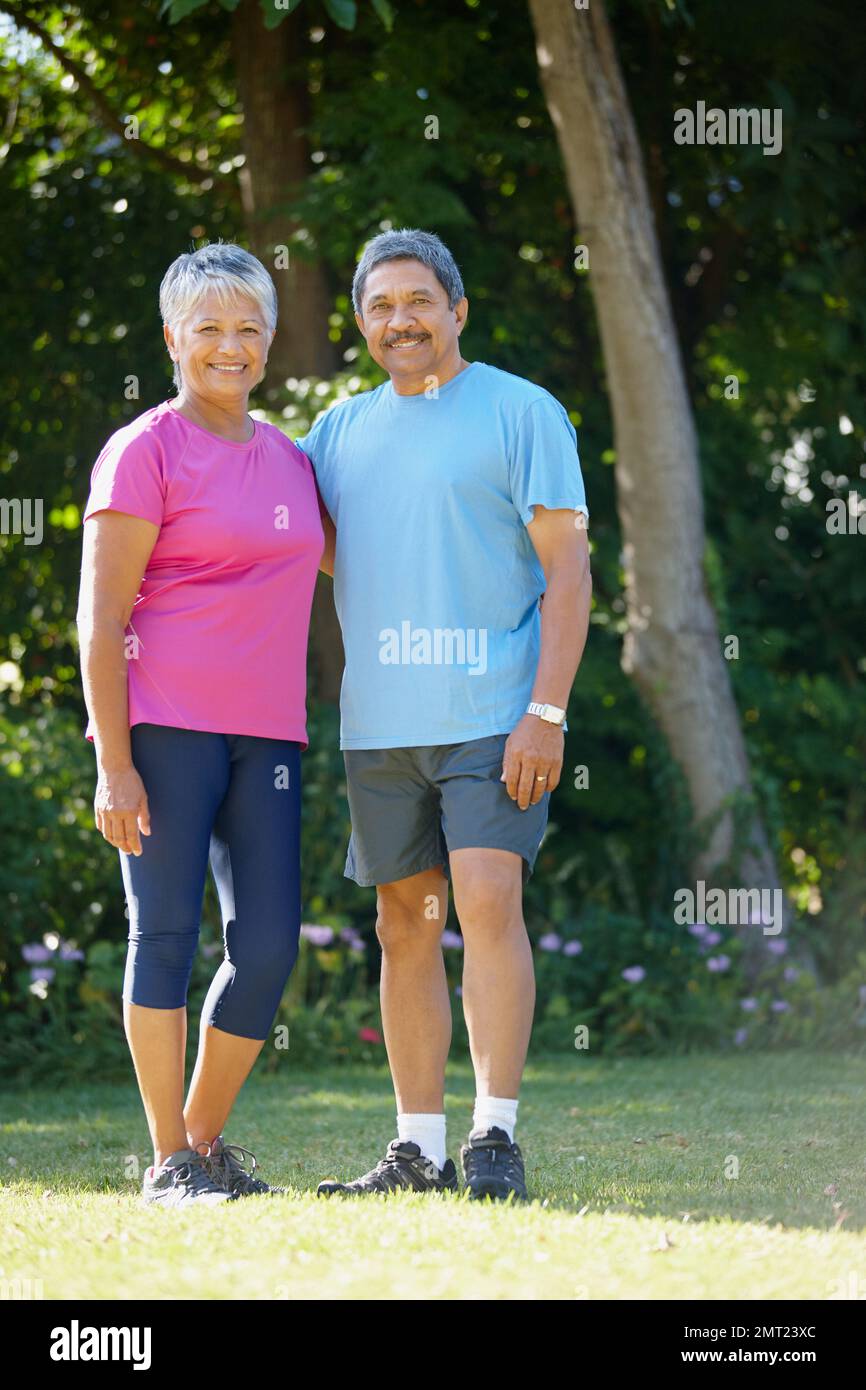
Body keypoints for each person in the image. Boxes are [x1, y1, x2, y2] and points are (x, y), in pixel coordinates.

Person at [297, 228, 591, 1201]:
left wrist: (545, 711)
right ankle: (416, 1149)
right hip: (382, 722)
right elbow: (307, 541)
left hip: (493, 711)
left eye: (418, 300)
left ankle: (494, 1134)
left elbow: (569, 573)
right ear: (360, 324)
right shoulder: (335, 433)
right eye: (380, 306)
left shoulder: (521, 412)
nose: (401, 320)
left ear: (457, 310)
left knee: (488, 901)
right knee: (402, 925)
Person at [76, 242, 325, 1206]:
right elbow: (101, 618)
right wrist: (114, 762)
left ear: (269, 339)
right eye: (209, 327)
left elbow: (358, 556)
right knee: (166, 937)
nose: (230, 345)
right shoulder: (144, 450)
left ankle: (201, 1144)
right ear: (173, 339)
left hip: (269, 735)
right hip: (164, 727)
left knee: (266, 947)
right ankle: (169, 1160)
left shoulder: (291, 461)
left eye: (248, 328)